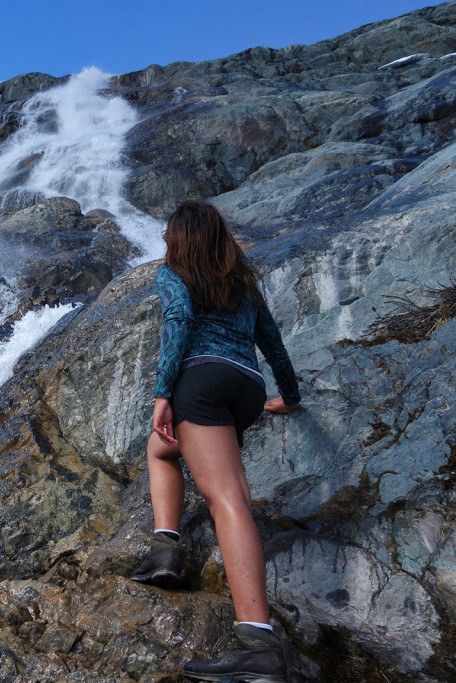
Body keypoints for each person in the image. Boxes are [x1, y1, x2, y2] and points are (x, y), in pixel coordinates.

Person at [130, 200, 301, 682]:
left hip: (200, 385)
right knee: (162, 449)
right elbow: (272, 341)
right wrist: (290, 395)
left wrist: (163, 393)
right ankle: (166, 547)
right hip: (246, 388)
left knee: (226, 499)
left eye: (168, 235)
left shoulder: (172, 272)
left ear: (179, 240)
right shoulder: (242, 279)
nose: (163, 241)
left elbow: (179, 321)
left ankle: (256, 642)